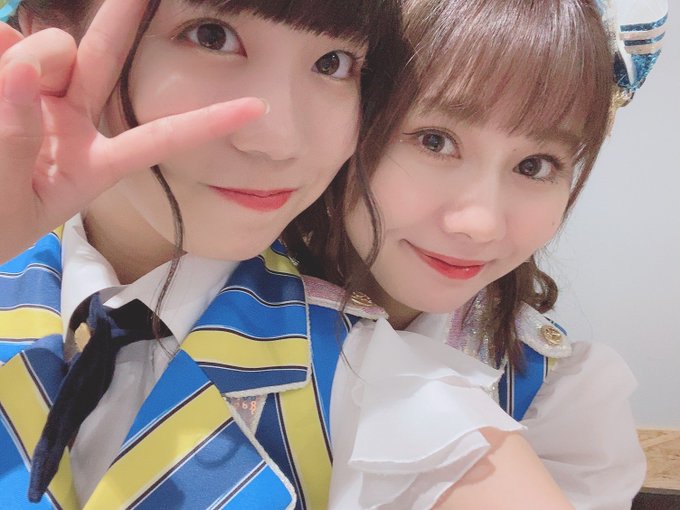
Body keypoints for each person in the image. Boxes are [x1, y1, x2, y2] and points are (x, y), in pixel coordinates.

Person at [0, 0, 405, 508]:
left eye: (333, 63)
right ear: (49, 36)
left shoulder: (372, 381)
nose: (279, 141)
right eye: (211, 37)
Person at [284, 0, 668, 508]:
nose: (480, 224)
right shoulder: (207, 301)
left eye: (534, 166)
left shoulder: (559, 403)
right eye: (435, 141)